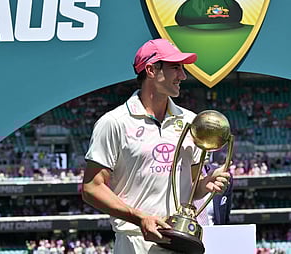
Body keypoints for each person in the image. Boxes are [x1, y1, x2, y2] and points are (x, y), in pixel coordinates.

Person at [82, 38, 231, 253]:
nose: (183, 76)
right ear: (151, 70)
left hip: (182, 241)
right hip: (135, 242)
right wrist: (139, 218)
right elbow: (91, 188)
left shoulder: (192, 122)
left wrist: (207, 184)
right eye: (175, 68)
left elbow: (193, 189)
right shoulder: (114, 122)